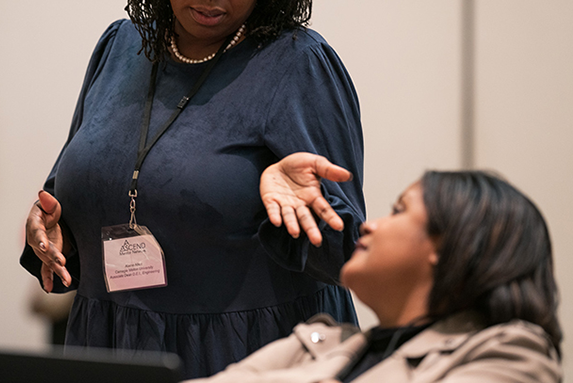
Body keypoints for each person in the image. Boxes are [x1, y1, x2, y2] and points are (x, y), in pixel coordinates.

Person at [20, 0, 365, 379]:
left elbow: (349, 255)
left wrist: (293, 206)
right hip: (110, 344)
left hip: (245, 354)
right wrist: (51, 228)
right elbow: (74, 190)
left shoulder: (297, 64)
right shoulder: (120, 47)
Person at [191, 153, 562, 382]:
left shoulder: (511, 352)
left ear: (450, 243)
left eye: (399, 211)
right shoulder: (313, 345)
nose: (370, 225)